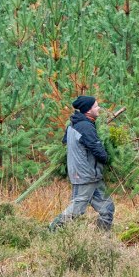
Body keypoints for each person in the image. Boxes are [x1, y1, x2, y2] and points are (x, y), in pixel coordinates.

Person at [49, 96, 115, 231]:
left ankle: (101, 241)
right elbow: (99, 151)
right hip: (85, 176)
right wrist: (108, 158)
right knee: (76, 211)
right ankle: (51, 231)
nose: (99, 109)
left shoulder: (75, 123)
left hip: (92, 176)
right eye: (96, 106)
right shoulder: (85, 126)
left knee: (107, 208)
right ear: (88, 110)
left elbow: (65, 142)